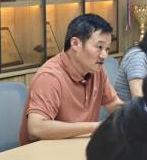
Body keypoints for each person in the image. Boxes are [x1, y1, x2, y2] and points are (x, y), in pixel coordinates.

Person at [19, 14, 123, 145]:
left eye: (107, 49)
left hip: (78, 146)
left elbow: (113, 104)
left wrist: (132, 115)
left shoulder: (96, 70)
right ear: (75, 44)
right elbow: (36, 128)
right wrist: (94, 127)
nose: (104, 55)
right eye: (99, 47)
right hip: (45, 152)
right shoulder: (50, 76)